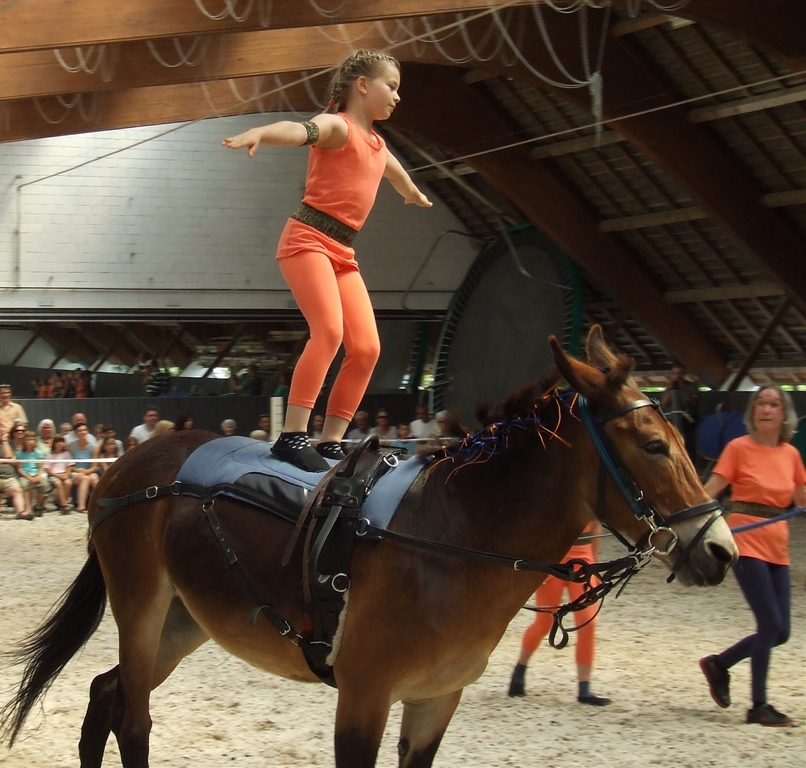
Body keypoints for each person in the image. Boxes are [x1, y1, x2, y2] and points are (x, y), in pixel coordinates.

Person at [223, 49, 432, 472]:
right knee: (329, 332)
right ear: (362, 85)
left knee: (368, 348)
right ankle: (292, 434)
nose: (396, 96)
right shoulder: (339, 126)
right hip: (308, 239)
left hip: (343, 251)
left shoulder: (376, 142)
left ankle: (332, 441)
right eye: (390, 86)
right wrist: (263, 132)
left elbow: (392, 170)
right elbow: (299, 130)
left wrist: (410, 192)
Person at [699, 385, 806, 727]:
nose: (766, 409)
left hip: (777, 546)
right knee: (770, 624)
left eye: (774, 404)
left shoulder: (790, 455)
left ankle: (720, 663)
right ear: (753, 411)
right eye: (760, 402)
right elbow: (708, 492)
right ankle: (759, 705)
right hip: (744, 541)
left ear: (783, 415)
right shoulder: (738, 448)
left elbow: (801, 501)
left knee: (782, 631)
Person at [508, 522, 611, 706]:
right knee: (544, 622)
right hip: (553, 560)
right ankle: (520, 669)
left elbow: (595, 527)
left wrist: (593, 563)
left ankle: (584, 688)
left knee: (588, 623)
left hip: (583, 559)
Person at [660, 363, 700, 461]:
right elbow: (663, 405)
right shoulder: (669, 388)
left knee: (689, 445)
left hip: (689, 420)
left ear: (684, 373)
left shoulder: (692, 386)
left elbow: (694, 402)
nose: (678, 376)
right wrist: (670, 389)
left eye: (680, 373)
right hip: (672, 420)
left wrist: (683, 387)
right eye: (675, 374)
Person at [70, 422, 100, 513]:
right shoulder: (71, 445)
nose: (82, 432)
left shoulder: (94, 447)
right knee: (85, 479)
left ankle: (100, 504)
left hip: (89, 471)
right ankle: (81, 507)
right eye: (80, 431)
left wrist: (85, 472)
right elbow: (70, 465)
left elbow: (94, 466)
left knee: (94, 478)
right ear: (76, 433)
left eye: (84, 430)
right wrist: (79, 471)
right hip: (75, 471)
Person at [15, 430, 47, 516]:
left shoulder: (38, 453)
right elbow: (19, 469)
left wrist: (39, 476)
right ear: (24, 441)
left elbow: (40, 467)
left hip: (36, 474)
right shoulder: (19, 454)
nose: (30, 441)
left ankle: (37, 506)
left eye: (32, 439)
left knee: (44, 485)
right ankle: (28, 508)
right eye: (28, 439)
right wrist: (29, 477)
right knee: (25, 485)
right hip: (25, 475)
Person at [0, 426, 29, 519]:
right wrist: (8, 460)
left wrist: (4, 441)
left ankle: (21, 512)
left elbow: (9, 456)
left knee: (17, 490)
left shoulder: (10, 445)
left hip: (9, 476)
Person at [44, 435, 74, 513]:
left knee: (69, 483)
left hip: (64, 474)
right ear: (54, 444)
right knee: (58, 483)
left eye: (62, 442)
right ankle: (64, 505)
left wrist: (66, 475)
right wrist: (58, 476)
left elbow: (70, 466)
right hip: (54, 475)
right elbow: (48, 469)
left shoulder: (67, 454)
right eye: (58, 442)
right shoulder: (50, 455)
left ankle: (61, 501)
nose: (60, 444)